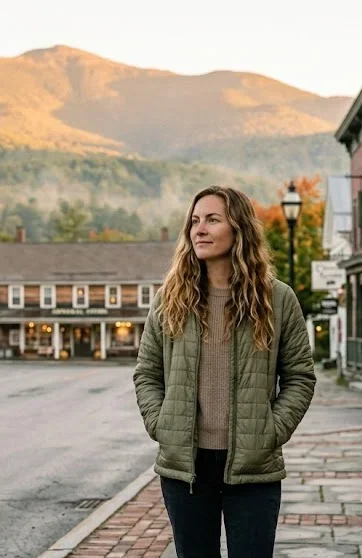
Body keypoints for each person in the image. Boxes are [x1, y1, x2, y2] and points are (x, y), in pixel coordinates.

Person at [132, 186, 316, 557]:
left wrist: (270, 430)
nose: (199, 229)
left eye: (213, 219)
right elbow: (147, 374)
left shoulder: (277, 300)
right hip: (186, 470)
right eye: (195, 221)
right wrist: (161, 423)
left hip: (252, 468)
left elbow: (299, 376)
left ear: (239, 229)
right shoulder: (170, 299)